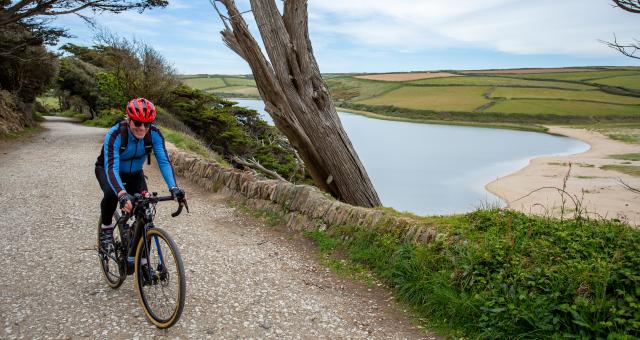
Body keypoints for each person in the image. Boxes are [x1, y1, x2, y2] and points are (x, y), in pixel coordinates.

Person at [95, 98, 185, 249]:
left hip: (135, 174)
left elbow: (163, 161)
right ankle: (106, 228)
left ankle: (142, 260)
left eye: (147, 124)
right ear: (129, 120)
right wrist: (122, 194)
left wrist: (173, 188)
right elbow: (111, 168)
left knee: (145, 212)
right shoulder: (116, 133)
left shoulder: (154, 134)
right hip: (107, 170)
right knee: (112, 194)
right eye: (137, 123)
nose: (142, 128)